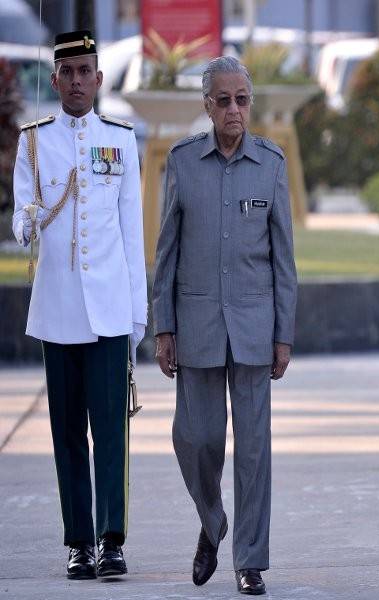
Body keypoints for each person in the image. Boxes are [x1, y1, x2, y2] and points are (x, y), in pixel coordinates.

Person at [151, 55, 297, 596]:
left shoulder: (271, 163)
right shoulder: (184, 162)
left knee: (254, 450)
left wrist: (284, 334)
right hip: (197, 327)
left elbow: (284, 258)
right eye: (224, 100)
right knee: (196, 439)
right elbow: (166, 252)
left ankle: (250, 561)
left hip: (257, 328)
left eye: (242, 99)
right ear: (206, 105)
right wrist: (163, 325)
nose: (234, 110)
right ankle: (213, 524)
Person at [11, 29, 146, 580]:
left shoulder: (119, 137)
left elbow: (132, 234)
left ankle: (112, 540)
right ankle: (79, 541)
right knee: (66, 431)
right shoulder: (35, 141)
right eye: (65, 73)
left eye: (84, 71)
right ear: (55, 79)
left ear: (98, 78)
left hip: (110, 308)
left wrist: (137, 316)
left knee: (111, 428)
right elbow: (21, 219)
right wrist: (31, 218)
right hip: (59, 309)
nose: (75, 81)